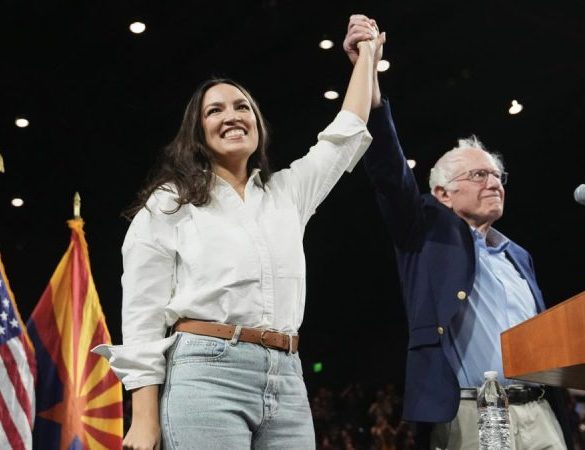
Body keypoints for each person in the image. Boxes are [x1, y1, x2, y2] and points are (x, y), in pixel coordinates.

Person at [93, 23, 385, 450]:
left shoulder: (288, 193)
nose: (232, 116)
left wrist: (367, 56)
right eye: (215, 111)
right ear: (197, 132)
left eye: (242, 107)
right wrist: (144, 418)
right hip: (204, 377)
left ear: (257, 124)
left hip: (287, 379)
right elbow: (142, 312)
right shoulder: (169, 203)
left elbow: (345, 134)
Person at [343, 14, 573, 450]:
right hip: (473, 414)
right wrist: (366, 68)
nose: (494, 183)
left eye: (498, 176)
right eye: (479, 175)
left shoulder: (518, 255)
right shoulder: (423, 233)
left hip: (541, 412)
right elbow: (388, 165)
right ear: (442, 194)